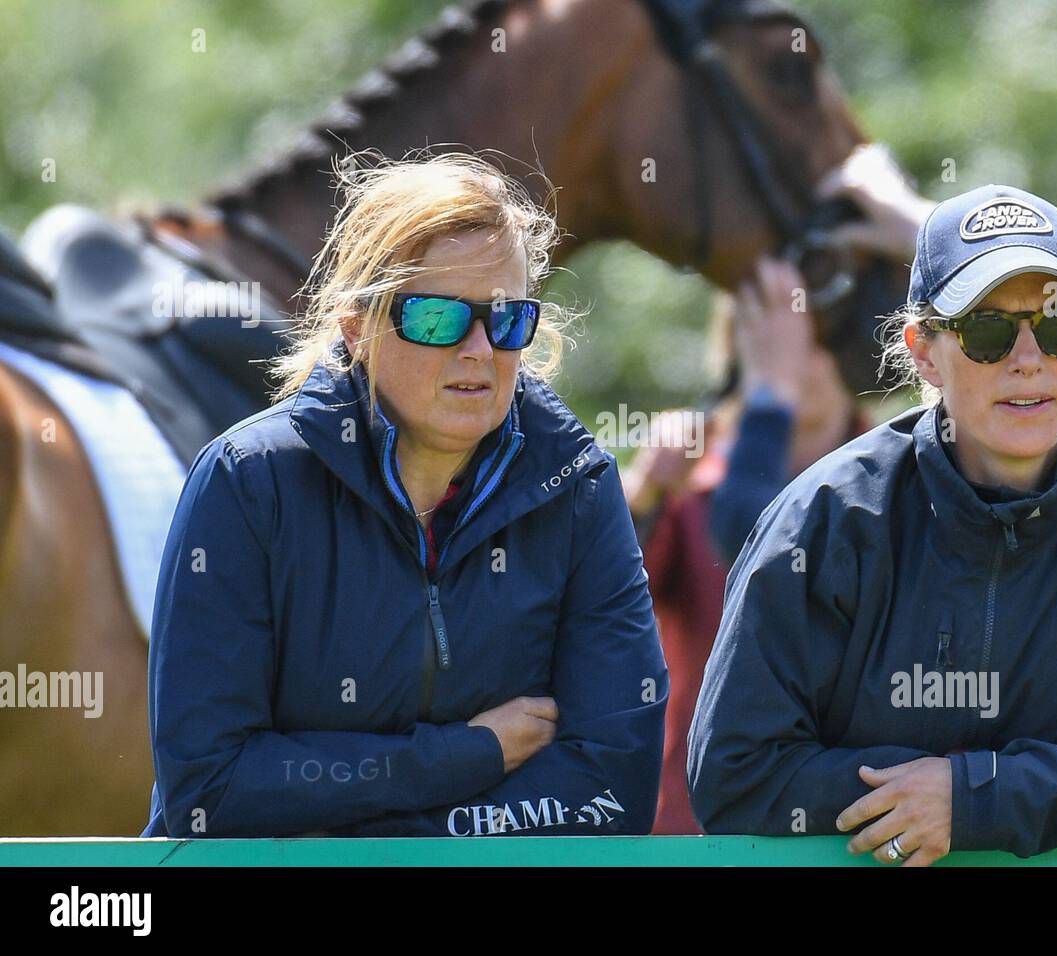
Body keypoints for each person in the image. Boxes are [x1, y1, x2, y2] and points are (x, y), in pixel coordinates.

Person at [687, 184, 1057, 864]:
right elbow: (734, 780)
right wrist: (952, 793)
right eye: (987, 330)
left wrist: (976, 797)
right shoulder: (822, 518)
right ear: (924, 350)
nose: (1029, 357)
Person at [142, 152, 667, 838]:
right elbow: (209, 790)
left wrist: (395, 838)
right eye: (437, 317)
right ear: (358, 328)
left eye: (506, 317)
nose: (479, 349)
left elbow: (611, 790)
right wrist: (464, 757)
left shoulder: (577, 485)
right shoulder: (246, 482)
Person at [624, 256, 876, 834]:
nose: (799, 357)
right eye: (779, 337)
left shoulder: (908, 479)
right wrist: (644, 495)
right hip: (701, 824)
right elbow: (605, 613)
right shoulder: (690, 485)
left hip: (855, 825)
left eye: (818, 333)